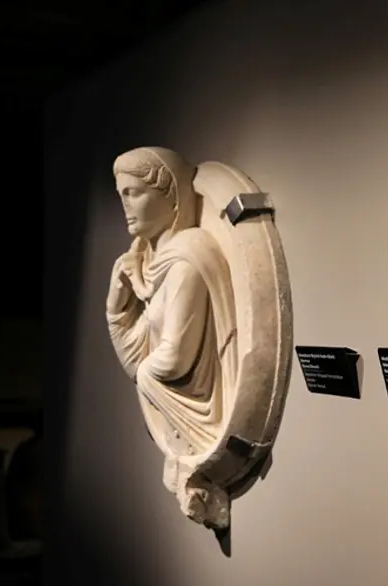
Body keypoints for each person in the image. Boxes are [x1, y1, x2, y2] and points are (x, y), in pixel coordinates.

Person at [105, 147, 238, 496]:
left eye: (134, 193)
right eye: (121, 195)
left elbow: (172, 360)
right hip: (184, 429)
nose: (125, 205)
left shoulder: (184, 262)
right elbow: (137, 361)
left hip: (202, 419)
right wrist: (118, 311)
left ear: (171, 196)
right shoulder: (155, 267)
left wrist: (145, 372)